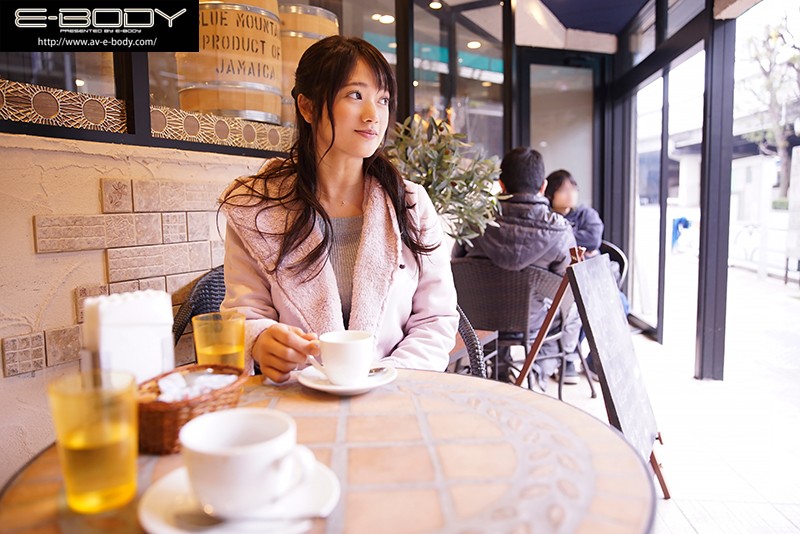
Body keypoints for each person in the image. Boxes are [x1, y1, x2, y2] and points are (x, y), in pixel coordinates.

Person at [219, 36, 459, 383]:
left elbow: (436, 319)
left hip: (394, 394)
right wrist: (261, 340)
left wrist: (387, 379)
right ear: (308, 107)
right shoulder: (257, 208)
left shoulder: (409, 204)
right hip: (300, 397)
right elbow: (244, 314)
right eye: (355, 95)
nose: (373, 115)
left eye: (383, 100)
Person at [453, 147, 582, 387]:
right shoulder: (560, 230)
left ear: (501, 185)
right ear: (543, 187)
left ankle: (498, 371)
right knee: (571, 311)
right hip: (535, 322)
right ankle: (536, 373)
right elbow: (566, 286)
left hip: (480, 318)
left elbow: (456, 265)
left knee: (491, 300)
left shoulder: (475, 221)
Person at [544, 170, 603, 257]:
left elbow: (593, 240)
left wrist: (556, 238)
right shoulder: (545, 217)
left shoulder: (586, 214)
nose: (570, 194)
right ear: (549, 194)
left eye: (573, 189)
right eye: (564, 190)